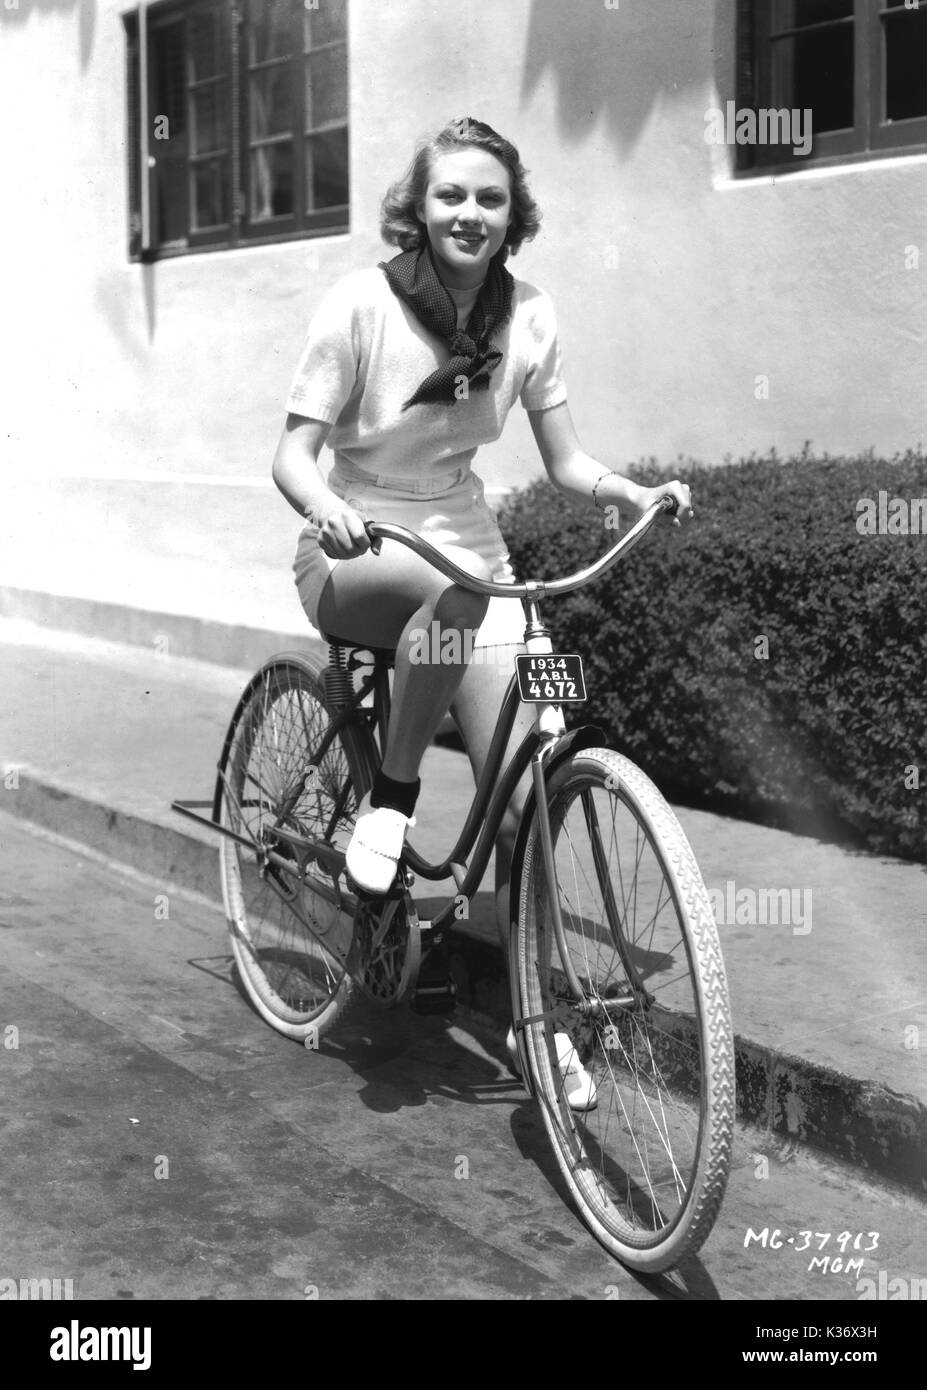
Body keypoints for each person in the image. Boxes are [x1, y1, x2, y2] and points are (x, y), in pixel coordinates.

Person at [272, 117, 692, 1108]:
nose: (470, 213)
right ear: (417, 207)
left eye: (491, 199)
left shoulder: (531, 317)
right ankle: (391, 803)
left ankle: (539, 1018)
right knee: (456, 596)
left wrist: (623, 491)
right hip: (358, 547)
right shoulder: (360, 306)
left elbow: (567, 459)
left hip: (465, 547)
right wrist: (325, 504)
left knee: (523, 783)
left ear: (515, 216)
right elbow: (292, 452)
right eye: (451, 195)